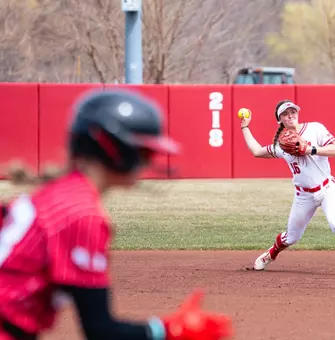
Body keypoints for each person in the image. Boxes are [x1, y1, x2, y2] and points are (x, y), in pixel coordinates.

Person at [0, 89, 233, 340]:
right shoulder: (82, 214)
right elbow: (99, 330)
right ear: (112, 147)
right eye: (144, 152)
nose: (147, 161)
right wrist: (168, 330)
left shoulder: (60, 193)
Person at [240, 99, 335, 276]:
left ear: (297, 113)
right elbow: (257, 152)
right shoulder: (281, 145)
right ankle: (269, 255)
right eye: (285, 114)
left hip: (327, 188)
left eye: (292, 112)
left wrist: (311, 149)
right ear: (279, 120)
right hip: (303, 196)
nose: (290, 116)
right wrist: (245, 127)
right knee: (292, 237)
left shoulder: (315, 128)